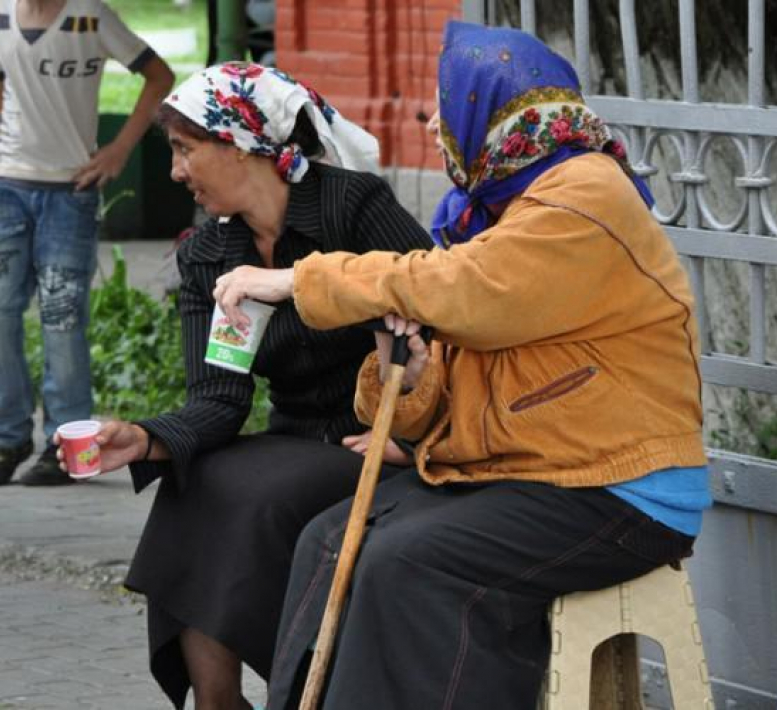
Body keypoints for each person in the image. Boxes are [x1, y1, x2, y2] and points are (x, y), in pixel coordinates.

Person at [212, 21, 713, 709]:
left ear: (493, 109)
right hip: (526, 468)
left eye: (447, 106)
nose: (435, 122)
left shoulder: (584, 196)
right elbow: (451, 378)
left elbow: (469, 291)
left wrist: (303, 282)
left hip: (619, 484)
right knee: (332, 540)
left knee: (410, 561)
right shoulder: (497, 209)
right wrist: (409, 376)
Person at [57, 62, 432, 709]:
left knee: (251, 495)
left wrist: (410, 430)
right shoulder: (209, 255)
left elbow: (435, 306)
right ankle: (217, 701)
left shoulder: (352, 206)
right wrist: (144, 440)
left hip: (379, 441)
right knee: (192, 479)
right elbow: (220, 399)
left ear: (243, 144)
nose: (175, 173)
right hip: (296, 435)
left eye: (183, 149)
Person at [0, 0, 174, 486]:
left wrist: (120, 149)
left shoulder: (90, 16)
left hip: (69, 191)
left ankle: (66, 444)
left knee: (61, 318)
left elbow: (159, 76)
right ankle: (7, 437)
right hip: (6, 188)